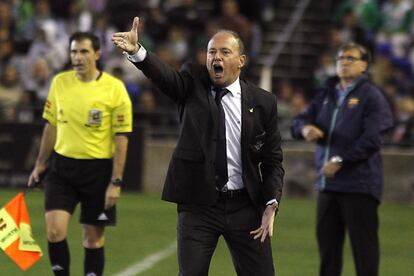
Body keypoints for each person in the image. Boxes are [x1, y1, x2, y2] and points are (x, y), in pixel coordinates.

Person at [112, 17, 284, 275]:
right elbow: (165, 77)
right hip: (199, 206)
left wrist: (271, 202)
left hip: (245, 206)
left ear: (241, 61)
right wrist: (138, 52)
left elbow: (272, 160)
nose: (217, 57)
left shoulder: (263, 102)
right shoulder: (192, 82)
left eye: (225, 52)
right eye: (212, 51)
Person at [28, 31, 132, 276]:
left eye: (84, 51)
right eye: (73, 51)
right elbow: (50, 126)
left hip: (97, 171)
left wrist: (115, 182)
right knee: (54, 232)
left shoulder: (114, 89)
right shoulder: (59, 82)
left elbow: (121, 139)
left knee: (92, 239)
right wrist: (40, 164)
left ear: (97, 54)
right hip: (61, 168)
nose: (77, 57)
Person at [291, 42, 393, 276]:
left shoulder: (372, 97)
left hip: (359, 185)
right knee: (328, 254)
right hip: (328, 186)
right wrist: (305, 128)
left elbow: (373, 139)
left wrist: (340, 160)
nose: (344, 62)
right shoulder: (327, 93)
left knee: (364, 254)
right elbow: (299, 121)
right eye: (340, 58)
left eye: (350, 58)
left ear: (364, 65)